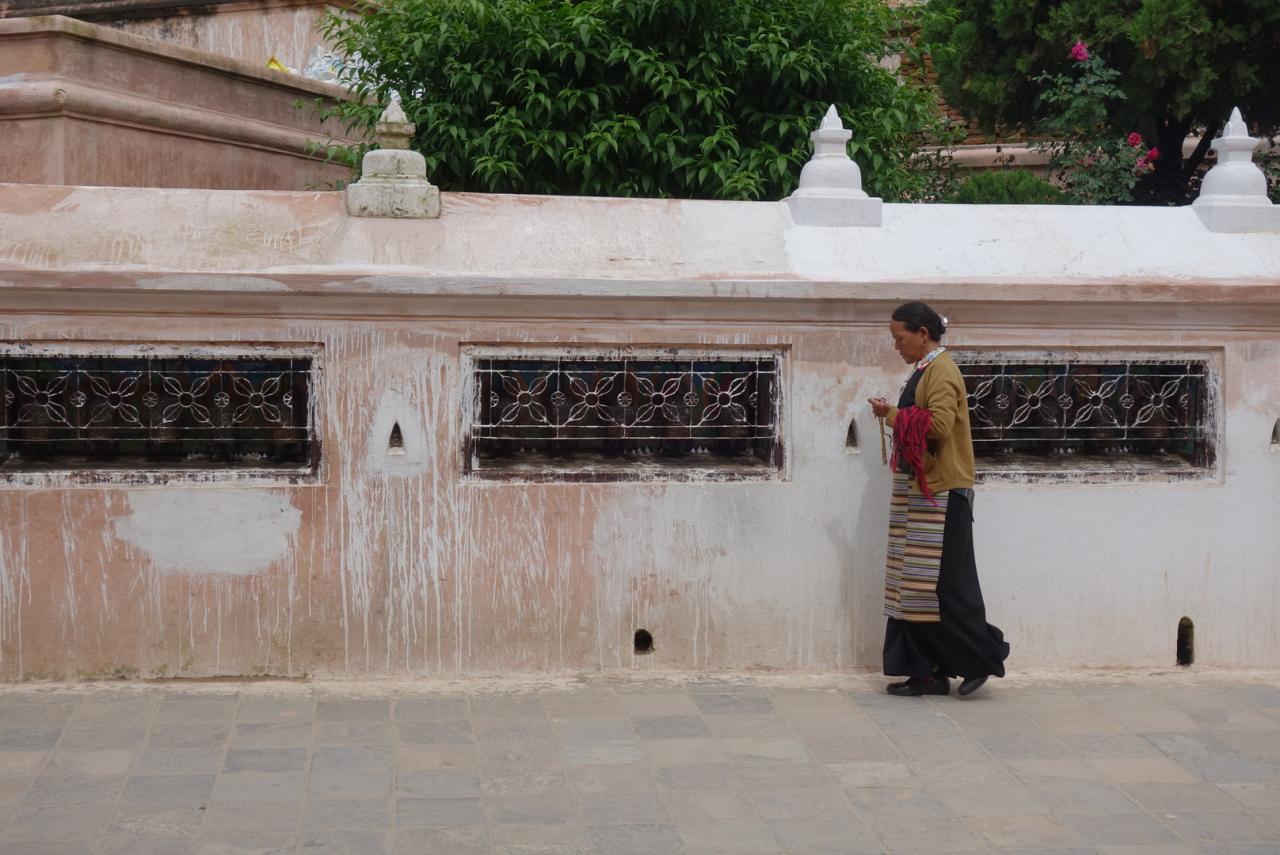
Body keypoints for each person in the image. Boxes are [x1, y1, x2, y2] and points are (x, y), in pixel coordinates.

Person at [868, 302, 1009, 697]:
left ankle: (984, 656)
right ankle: (926, 673)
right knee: (913, 585)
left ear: (923, 334)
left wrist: (893, 414)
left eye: (900, 338)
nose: (897, 346)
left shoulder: (943, 371)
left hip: (944, 493)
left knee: (947, 587)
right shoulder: (925, 369)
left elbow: (941, 425)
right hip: (925, 491)